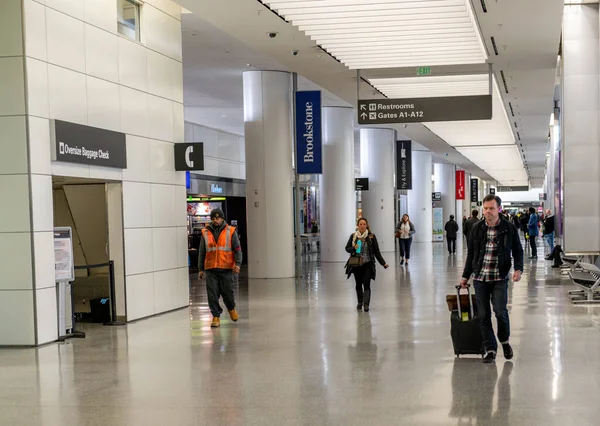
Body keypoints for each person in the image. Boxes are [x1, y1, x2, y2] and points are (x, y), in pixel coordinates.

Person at [461, 195, 524, 364]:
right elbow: (471, 254)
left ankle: (504, 341)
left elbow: (518, 250)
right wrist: (465, 276)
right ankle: (490, 349)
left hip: (499, 277)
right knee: (483, 315)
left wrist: (518, 269)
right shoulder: (477, 228)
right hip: (480, 278)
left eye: (491, 208)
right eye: (486, 208)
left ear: (499, 209)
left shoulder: (508, 228)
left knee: (500, 312)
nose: (488, 211)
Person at [198, 209, 242, 328]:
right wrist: (201, 269)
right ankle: (216, 317)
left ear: (222, 218)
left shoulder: (230, 231)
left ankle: (231, 309)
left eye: (217, 218)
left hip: (226, 268)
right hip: (211, 269)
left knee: (227, 293)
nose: (215, 220)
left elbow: (237, 249)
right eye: (213, 218)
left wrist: (237, 264)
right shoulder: (205, 232)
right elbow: (202, 252)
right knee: (212, 295)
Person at [345, 218, 389, 312]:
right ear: (358, 225)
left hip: (368, 264)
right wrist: (353, 248)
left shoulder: (371, 236)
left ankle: (366, 304)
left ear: (367, 225)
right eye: (360, 224)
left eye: (364, 224)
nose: (362, 226)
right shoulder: (353, 236)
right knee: (358, 284)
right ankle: (360, 302)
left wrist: (383, 263)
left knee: (367, 283)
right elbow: (347, 248)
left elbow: (376, 251)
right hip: (356, 264)